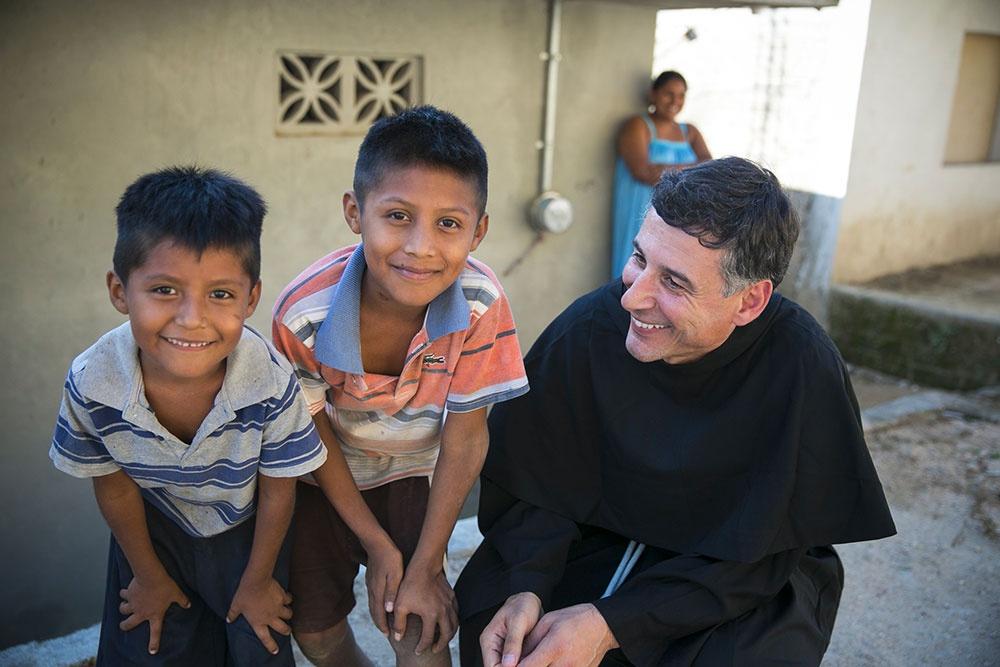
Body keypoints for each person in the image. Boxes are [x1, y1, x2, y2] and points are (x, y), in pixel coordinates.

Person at [456, 157, 897, 667]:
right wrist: (526, 586)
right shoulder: (590, 329)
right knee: (502, 631)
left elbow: (767, 552)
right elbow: (538, 483)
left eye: (675, 283)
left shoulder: (801, 366)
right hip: (590, 532)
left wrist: (611, 624)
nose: (633, 297)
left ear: (750, 301)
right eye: (640, 259)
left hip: (736, 571)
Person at [272, 105, 529, 667]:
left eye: (449, 224)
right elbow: (311, 441)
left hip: (417, 476)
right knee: (314, 634)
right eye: (396, 216)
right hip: (325, 482)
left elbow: (465, 440)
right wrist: (376, 543)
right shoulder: (303, 318)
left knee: (420, 629)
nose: (420, 247)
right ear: (354, 212)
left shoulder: (481, 303)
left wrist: (426, 562)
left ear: (478, 231)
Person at [49, 167, 328, 665]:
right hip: (151, 526)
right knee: (146, 643)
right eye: (164, 291)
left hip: (246, 532)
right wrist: (148, 574)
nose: (191, 318)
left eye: (220, 294)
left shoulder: (270, 383)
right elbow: (111, 483)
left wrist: (260, 578)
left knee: (256, 642)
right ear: (119, 291)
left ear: (250, 299)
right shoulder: (93, 382)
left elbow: (278, 487)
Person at [611, 70, 712, 277]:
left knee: (671, 270)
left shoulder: (689, 131)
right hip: (641, 208)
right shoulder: (638, 125)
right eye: (669, 94)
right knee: (635, 264)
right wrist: (692, 166)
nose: (675, 101)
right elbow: (644, 172)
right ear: (653, 93)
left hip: (679, 212)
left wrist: (663, 169)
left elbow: (709, 168)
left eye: (681, 95)